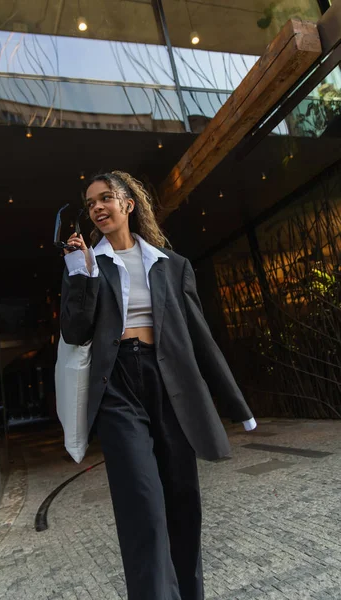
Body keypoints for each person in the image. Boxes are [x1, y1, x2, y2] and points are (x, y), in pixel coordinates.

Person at [60, 171, 256, 600]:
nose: (97, 206)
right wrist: (80, 274)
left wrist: (238, 406)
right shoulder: (88, 263)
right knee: (143, 510)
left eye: (105, 197)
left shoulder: (172, 265)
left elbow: (200, 338)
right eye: (90, 202)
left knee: (183, 502)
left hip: (169, 383)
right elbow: (75, 332)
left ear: (128, 204)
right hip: (117, 387)